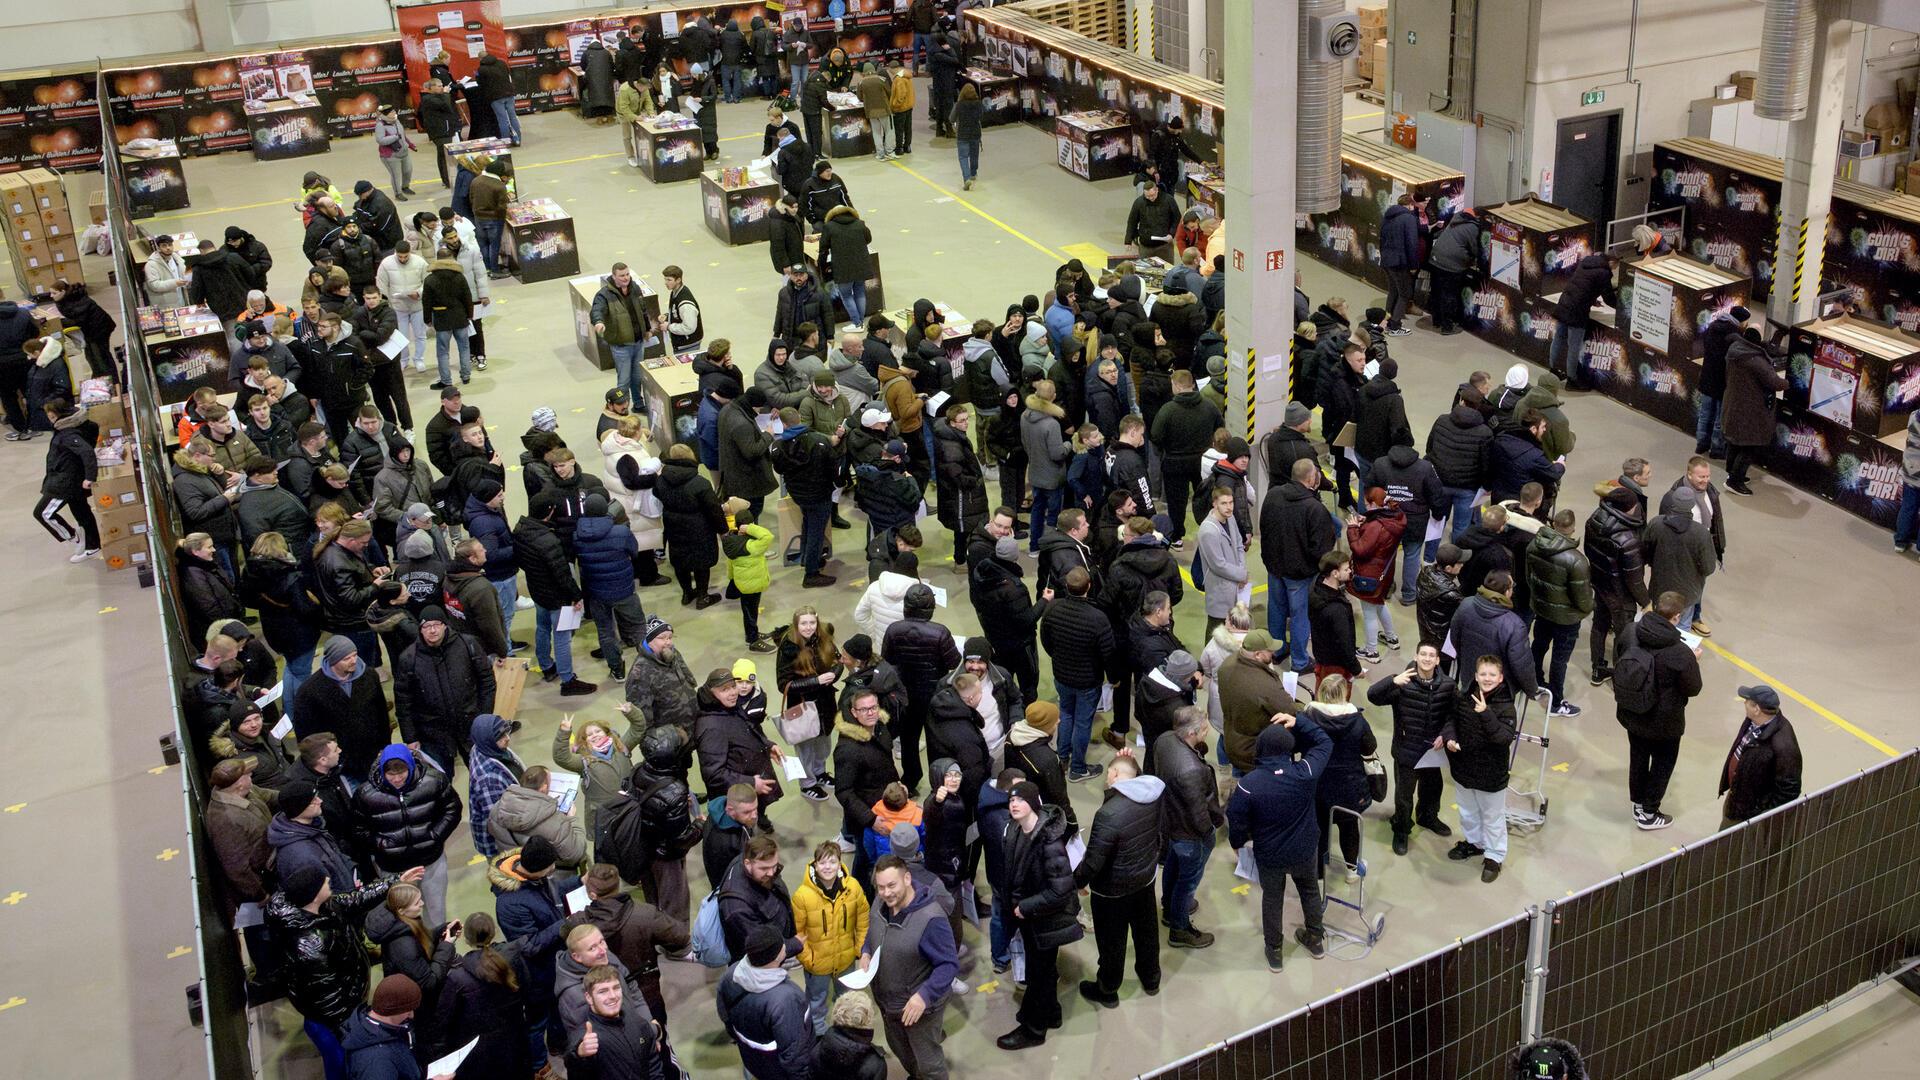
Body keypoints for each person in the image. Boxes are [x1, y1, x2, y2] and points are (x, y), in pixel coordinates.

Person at [269, 864, 415, 1073]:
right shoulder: (311, 948)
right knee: (341, 1064)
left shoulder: (322, 907)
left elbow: (356, 899)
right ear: (313, 895)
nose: (330, 881)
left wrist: (396, 880)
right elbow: (330, 1001)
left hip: (347, 1003)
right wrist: (356, 1026)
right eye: (325, 882)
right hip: (336, 1021)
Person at [1227, 709, 1330, 972]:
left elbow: (1236, 819)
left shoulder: (1249, 785)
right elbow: (1324, 742)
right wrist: (1299, 722)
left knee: (1272, 899)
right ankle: (1315, 939)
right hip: (1306, 849)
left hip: (1270, 855)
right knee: (1309, 891)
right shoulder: (1305, 773)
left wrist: (1237, 844)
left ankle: (1274, 951)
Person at [1073, 753, 1164, 1008]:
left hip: (1113, 891)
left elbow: (1093, 861)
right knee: (1147, 934)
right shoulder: (1153, 792)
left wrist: (1077, 881)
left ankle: (1108, 988)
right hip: (1145, 879)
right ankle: (1151, 979)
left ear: (1113, 775)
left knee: (1112, 943)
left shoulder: (1109, 814)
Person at [994, 781, 1081, 1050]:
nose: (1014, 804)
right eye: (1011, 800)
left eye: (1020, 800)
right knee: (1043, 970)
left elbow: (1060, 890)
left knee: (1039, 974)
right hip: (1031, 919)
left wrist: (1026, 906)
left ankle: (1034, 1030)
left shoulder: (1049, 843)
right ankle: (1051, 1013)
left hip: (1045, 920)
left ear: (1033, 803)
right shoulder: (1018, 830)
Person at [1611, 590, 1705, 830]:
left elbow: (1619, 656)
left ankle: (1638, 802)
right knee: (1663, 763)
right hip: (1664, 720)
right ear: (1676, 617)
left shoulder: (1632, 632)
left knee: (1639, 756)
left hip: (1633, 710)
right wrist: (1693, 660)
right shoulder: (1680, 652)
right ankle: (1649, 812)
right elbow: (1693, 688)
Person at [350, 745, 463, 925]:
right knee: (403, 917)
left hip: (430, 862)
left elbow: (452, 809)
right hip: (393, 868)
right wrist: (381, 845)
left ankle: (439, 948)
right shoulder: (365, 795)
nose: (396, 779)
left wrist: (435, 835)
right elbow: (358, 829)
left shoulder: (434, 781)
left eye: (401, 773)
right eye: (391, 775)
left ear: (411, 767)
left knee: (436, 912)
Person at [1441, 655, 1518, 882]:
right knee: (1468, 812)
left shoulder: (1506, 707)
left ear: (1501, 677)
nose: (1487, 679)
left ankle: (1494, 856)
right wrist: (1450, 737)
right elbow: (1451, 720)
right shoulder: (1464, 697)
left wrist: (1485, 713)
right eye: (1483, 674)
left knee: (1493, 817)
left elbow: (1503, 738)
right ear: (1475, 676)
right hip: (1464, 769)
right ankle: (1475, 843)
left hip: (1490, 775)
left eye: (1492, 675)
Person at [434, 912, 535, 1079]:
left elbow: (445, 1018)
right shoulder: (513, 958)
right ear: (494, 931)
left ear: (466, 940)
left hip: (478, 1051)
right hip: (515, 1039)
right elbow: (528, 990)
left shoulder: (458, 978)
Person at [1037, 567, 1115, 783]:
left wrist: (1059, 658)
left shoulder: (1052, 610)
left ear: (1066, 586)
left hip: (1062, 675)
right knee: (1082, 722)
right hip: (1088, 681)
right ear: (1089, 586)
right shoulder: (1098, 618)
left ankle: (1062, 758)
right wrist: (1114, 677)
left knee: (1065, 714)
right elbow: (1107, 653)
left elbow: (1046, 640)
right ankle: (1078, 768)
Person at [881, 584, 961, 794]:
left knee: (909, 740)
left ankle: (910, 779)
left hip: (905, 694)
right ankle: (939, 782)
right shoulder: (940, 632)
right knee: (937, 741)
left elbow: (887, 661)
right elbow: (954, 662)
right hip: (933, 694)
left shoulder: (893, 629)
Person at [716, 924, 816, 1080]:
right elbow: (794, 1054)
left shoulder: (732, 973)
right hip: (778, 1070)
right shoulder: (786, 1000)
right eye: (783, 944)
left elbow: (725, 1015)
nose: (785, 945)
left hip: (751, 1058)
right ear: (777, 957)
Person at [1525, 509, 1593, 717]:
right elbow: (1582, 598)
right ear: (1572, 528)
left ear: (1554, 525)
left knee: (1538, 645)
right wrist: (1587, 608)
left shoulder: (1533, 546)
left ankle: (1534, 683)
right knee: (1560, 659)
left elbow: (1529, 578)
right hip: (1567, 619)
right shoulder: (1576, 560)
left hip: (1542, 609)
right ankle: (1555, 702)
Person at [1583, 486, 1649, 686]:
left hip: (1601, 584)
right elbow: (1634, 578)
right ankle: (1621, 676)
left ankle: (1597, 668)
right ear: (1627, 508)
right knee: (1624, 635)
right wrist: (1646, 602)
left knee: (1599, 625)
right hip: (1621, 595)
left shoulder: (1594, 519)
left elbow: (1588, 550)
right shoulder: (1627, 539)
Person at [1718, 684, 1802, 828]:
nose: (1744, 703)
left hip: (1749, 813)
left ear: (1757, 709)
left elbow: (1789, 790)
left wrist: (1760, 813)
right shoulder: (1753, 722)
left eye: (1748, 702)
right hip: (1738, 797)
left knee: (1728, 844)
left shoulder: (1784, 745)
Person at [1642, 486, 1717, 642]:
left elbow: (1645, 554)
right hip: (1688, 593)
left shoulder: (1656, 524)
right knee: (1682, 628)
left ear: (1673, 502)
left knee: (1658, 624)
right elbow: (1708, 567)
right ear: (1692, 504)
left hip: (1659, 589)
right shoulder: (1701, 533)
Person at [1720, 327, 1788, 496]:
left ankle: (1732, 473)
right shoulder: (1755, 360)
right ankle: (1735, 481)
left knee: (1735, 441)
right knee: (1749, 445)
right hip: (1750, 410)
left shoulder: (1735, 350)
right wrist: (1789, 382)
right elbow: (1775, 382)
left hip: (1734, 403)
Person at [34, 397, 100, 560]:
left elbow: (87, 452)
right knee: (81, 512)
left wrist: (90, 477)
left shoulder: (68, 433)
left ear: (60, 414)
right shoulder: (78, 423)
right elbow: (93, 430)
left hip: (65, 483)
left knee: (43, 513)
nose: (51, 421)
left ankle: (73, 536)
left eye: (52, 417)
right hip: (73, 477)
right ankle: (92, 546)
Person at [1549, 253, 1618, 382]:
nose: (1613, 270)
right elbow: (1609, 297)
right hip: (1578, 311)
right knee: (1574, 345)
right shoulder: (1603, 272)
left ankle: (1553, 370)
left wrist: (1592, 300)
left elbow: (1582, 285)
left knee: (1558, 337)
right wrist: (1621, 308)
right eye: (1615, 267)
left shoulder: (1586, 263)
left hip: (1565, 302)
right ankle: (1572, 379)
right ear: (1611, 262)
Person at [1196, 486, 1249, 639]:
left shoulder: (1230, 518)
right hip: (1219, 589)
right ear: (1214, 504)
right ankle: (1209, 663)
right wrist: (1241, 574)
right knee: (1216, 630)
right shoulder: (1208, 531)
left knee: (1233, 629)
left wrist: (1241, 569)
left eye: (1231, 502)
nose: (1229, 507)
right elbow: (1218, 565)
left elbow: (1239, 544)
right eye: (1224, 503)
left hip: (1235, 584)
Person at [1124, 180, 1181, 261]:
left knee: (1168, 270)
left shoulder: (1168, 200)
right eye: (1147, 196)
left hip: (1164, 246)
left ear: (1157, 190)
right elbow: (1132, 222)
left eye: (1152, 195)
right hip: (1146, 246)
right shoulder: (1139, 203)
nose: (1150, 198)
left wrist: (1172, 234)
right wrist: (1128, 241)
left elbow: (1177, 218)